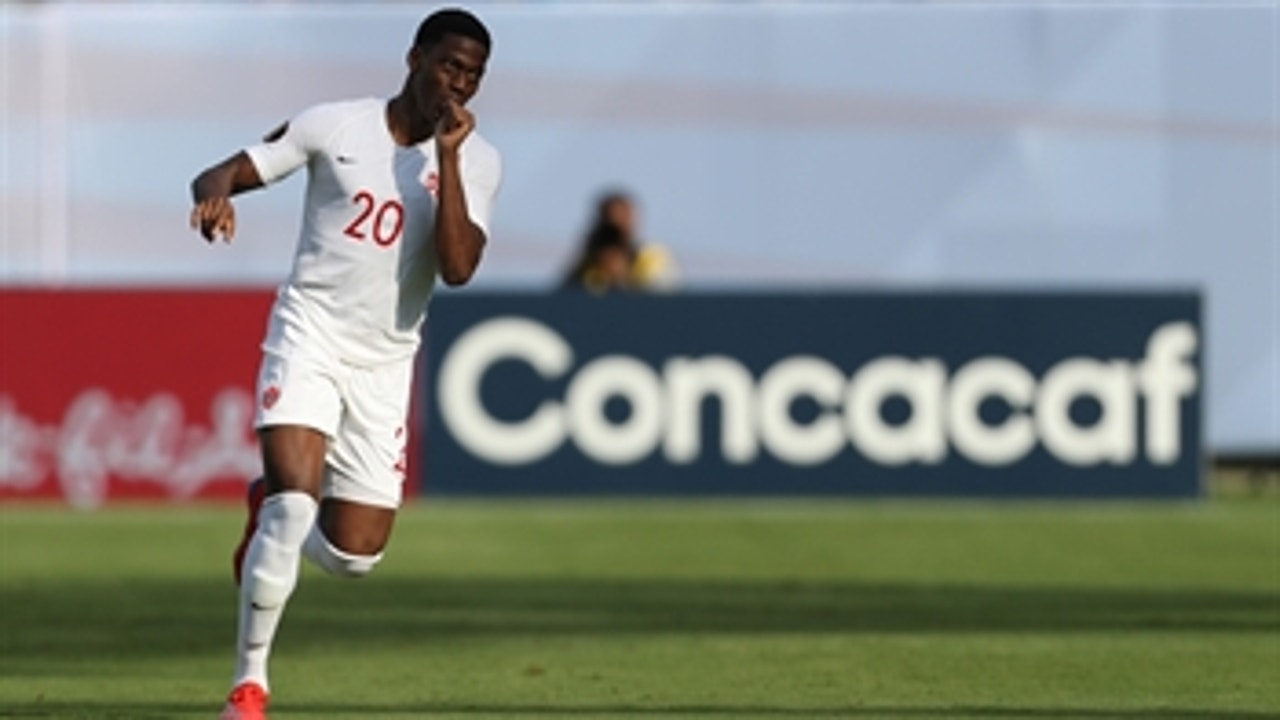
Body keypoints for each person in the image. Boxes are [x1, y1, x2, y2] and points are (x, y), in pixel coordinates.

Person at [187, 8, 500, 719]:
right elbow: (224, 169)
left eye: (474, 75)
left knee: (355, 555)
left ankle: (260, 508)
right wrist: (213, 197)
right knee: (293, 506)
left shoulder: (479, 161)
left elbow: (456, 268)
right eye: (450, 66)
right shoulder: (335, 125)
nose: (460, 84)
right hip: (310, 336)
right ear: (414, 57)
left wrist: (447, 160)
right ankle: (249, 687)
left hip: (386, 362)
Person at [560, 189, 678, 293]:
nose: (612, 231)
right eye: (607, 222)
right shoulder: (590, 262)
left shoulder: (651, 256)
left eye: (620, 221)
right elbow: (564, 296)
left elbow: (659, 300)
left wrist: (621, 275)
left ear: (632, 220)